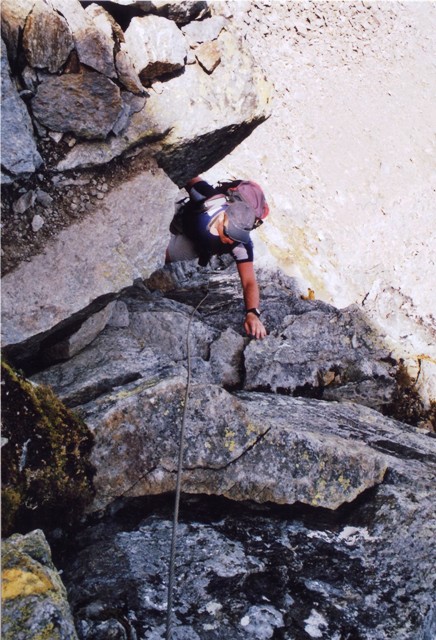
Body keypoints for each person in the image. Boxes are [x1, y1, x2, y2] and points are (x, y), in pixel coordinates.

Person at [165, 175, 268, 339]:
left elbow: (249, 281)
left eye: (236, 237)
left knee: (164, 258)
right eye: (228, 234)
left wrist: (252, 313)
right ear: (224, 217)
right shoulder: (210, 199)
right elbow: (187, 174)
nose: (230, 241)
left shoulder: (241, 244)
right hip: (179, 218)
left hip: (194, 244)